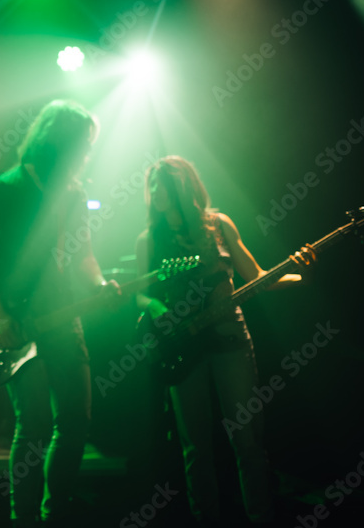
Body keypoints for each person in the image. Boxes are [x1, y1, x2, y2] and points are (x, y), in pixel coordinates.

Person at [134, 155, 311, 527]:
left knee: (247, 441)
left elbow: (257, 276)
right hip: (182, 346)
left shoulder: (219, 225)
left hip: (231, 340)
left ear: (182, 186)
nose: (154, 191)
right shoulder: (149, 239)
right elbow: (141, 293)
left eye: (161, 183)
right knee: (195, 446)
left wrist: (295, 270)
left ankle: (260, 518)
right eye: (150, 184)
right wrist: (155, 306)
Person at [0, 100, 119, 527]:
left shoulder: (74, 193)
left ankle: (56, 514)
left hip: (64, 318)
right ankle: (24, 518)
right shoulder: (9, 186)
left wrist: (100, 285)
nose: (88, 152)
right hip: (18, 321)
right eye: (84, 143)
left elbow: (84, 257)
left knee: (75, 422)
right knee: (32, 426)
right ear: (62, 141)